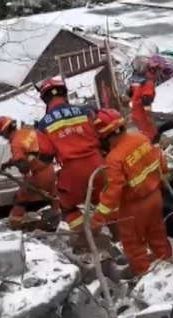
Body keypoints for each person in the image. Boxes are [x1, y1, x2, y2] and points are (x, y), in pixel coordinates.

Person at [90, 108, 172, 274]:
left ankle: (146, 280)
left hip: (134, 208)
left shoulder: (114, 158)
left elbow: (113, 192)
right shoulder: (141, 138)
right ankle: (170, 271)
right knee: (158, 237)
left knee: (133, 246)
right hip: (155, 197)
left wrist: (97, 220)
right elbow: (161, 163)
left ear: (105, 136)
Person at [34, 78, 105, 233]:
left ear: (45, 99)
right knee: (107, 202)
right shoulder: (85, 112)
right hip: (98, 165)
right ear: (64, 94)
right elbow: (102, 136)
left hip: (73, 173)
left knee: (67, 205)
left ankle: (86, 238)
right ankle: (118, 237)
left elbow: (46, 157)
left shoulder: (43, 124)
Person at [0, 116, 61, 230]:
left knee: (20, 199)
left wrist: (16, 163)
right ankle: (59, 219)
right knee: (54, 197)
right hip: (50, 169)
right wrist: (10, 163)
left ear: (4, 133)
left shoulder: (15, 144)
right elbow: (30, 153)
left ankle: (16, 226)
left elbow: (24, 168)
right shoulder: (28, 131)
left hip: (39, 175)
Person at [128, 58, 161, 143]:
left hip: (134, 113)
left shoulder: (138, 80)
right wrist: (148, 115)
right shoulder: (149, 83)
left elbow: (129, 92)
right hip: (142, 114)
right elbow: (146, 99)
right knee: (150, 134)